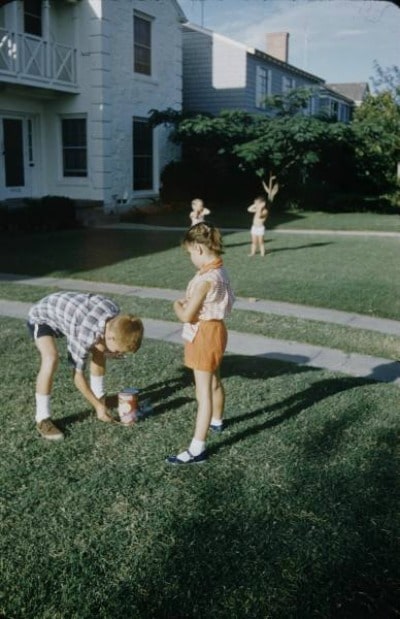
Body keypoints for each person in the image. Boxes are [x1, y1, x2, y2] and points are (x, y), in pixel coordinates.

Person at [27, 291, 144, 440]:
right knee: (51, 358)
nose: (115, 353)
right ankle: (42, 418)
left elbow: (103, 344)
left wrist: (107, 350)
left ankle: (99, 396)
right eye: (116, 350)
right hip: (42, 316)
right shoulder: (84, 333)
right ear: (111, 336)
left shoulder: (114, 314)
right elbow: (77, 376)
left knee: (100, 348)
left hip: (69, 313)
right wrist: (97, 407)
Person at [166, 222, 235, 465]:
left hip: (203, 334)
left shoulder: (206, 279)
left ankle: (197, 448)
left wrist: (176, 304)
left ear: (198, 248)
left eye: (189, 254)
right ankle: (217, 419)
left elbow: (186, 315)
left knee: (202, 391)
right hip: (216, 331)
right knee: (214, 379)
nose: (190, 259)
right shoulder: (220, 270)